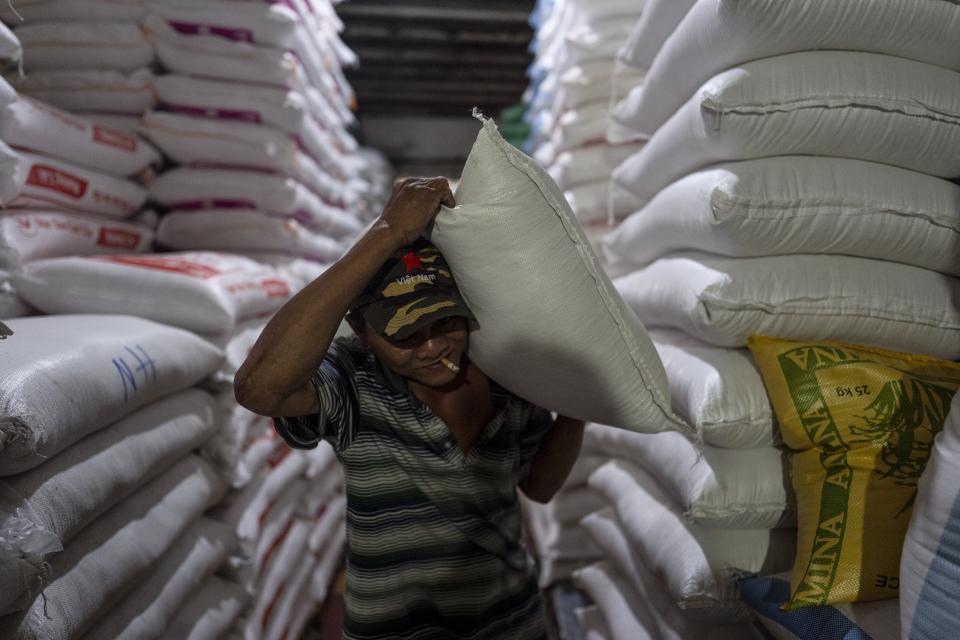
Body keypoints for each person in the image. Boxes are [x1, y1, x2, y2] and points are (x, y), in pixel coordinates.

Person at [235, 177, 586, 640]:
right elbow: (260, 388)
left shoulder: (504, 374)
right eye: (405, 334)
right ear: (361, 330)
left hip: (511, 624)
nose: (435, 345)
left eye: (445, 320)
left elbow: (538, 486)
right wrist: (388, 233)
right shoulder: (354, 383)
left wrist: (581, 405)